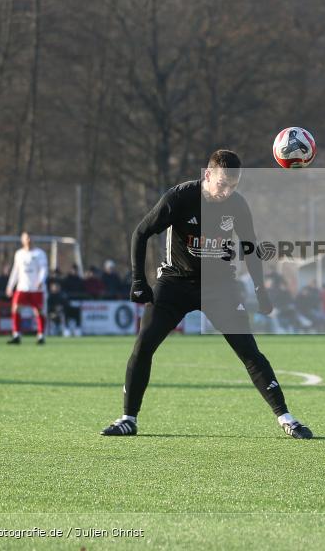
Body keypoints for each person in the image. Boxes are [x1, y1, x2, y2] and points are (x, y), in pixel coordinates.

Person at [100, 149, 312, 439]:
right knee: (144, 346)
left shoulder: (237, 205)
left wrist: (261, 289)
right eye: (222, 184)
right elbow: (141, 232)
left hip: (220, 286)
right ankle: (128, 419)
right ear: (207, 175)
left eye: (233, 186)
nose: (226, 192)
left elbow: (250, 248)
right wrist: (139, 280)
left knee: (249, 352)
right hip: (174, 283)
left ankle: (287, 419)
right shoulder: (180, 198)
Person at [5, 232, 49, 345]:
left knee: (38, 311)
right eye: (26, 238)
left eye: (30, 238)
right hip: (22, 287)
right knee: (15, 309)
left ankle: (41, 335)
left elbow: (43, 269)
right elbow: (15, 270)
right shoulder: (19, 254)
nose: (28, 240)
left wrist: (41, 280)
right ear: (22, 240)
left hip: (36, 288)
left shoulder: (39, 253)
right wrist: (10, 286)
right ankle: (16, 335)